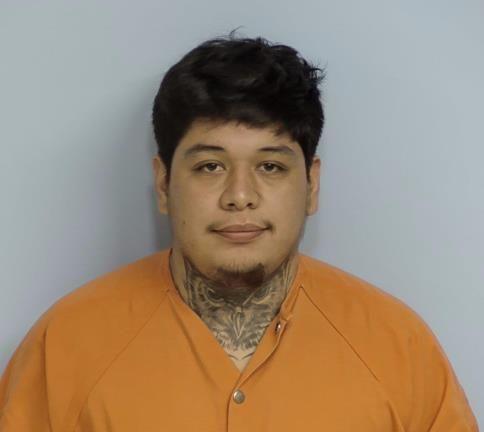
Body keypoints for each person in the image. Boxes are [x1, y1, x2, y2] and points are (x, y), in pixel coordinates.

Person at [0, 30, 479, 432]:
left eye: (271, 166)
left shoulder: (399, 348)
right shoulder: (64, 347)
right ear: (164, 185)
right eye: (210, 166)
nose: (240, 195)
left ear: (311, 186)